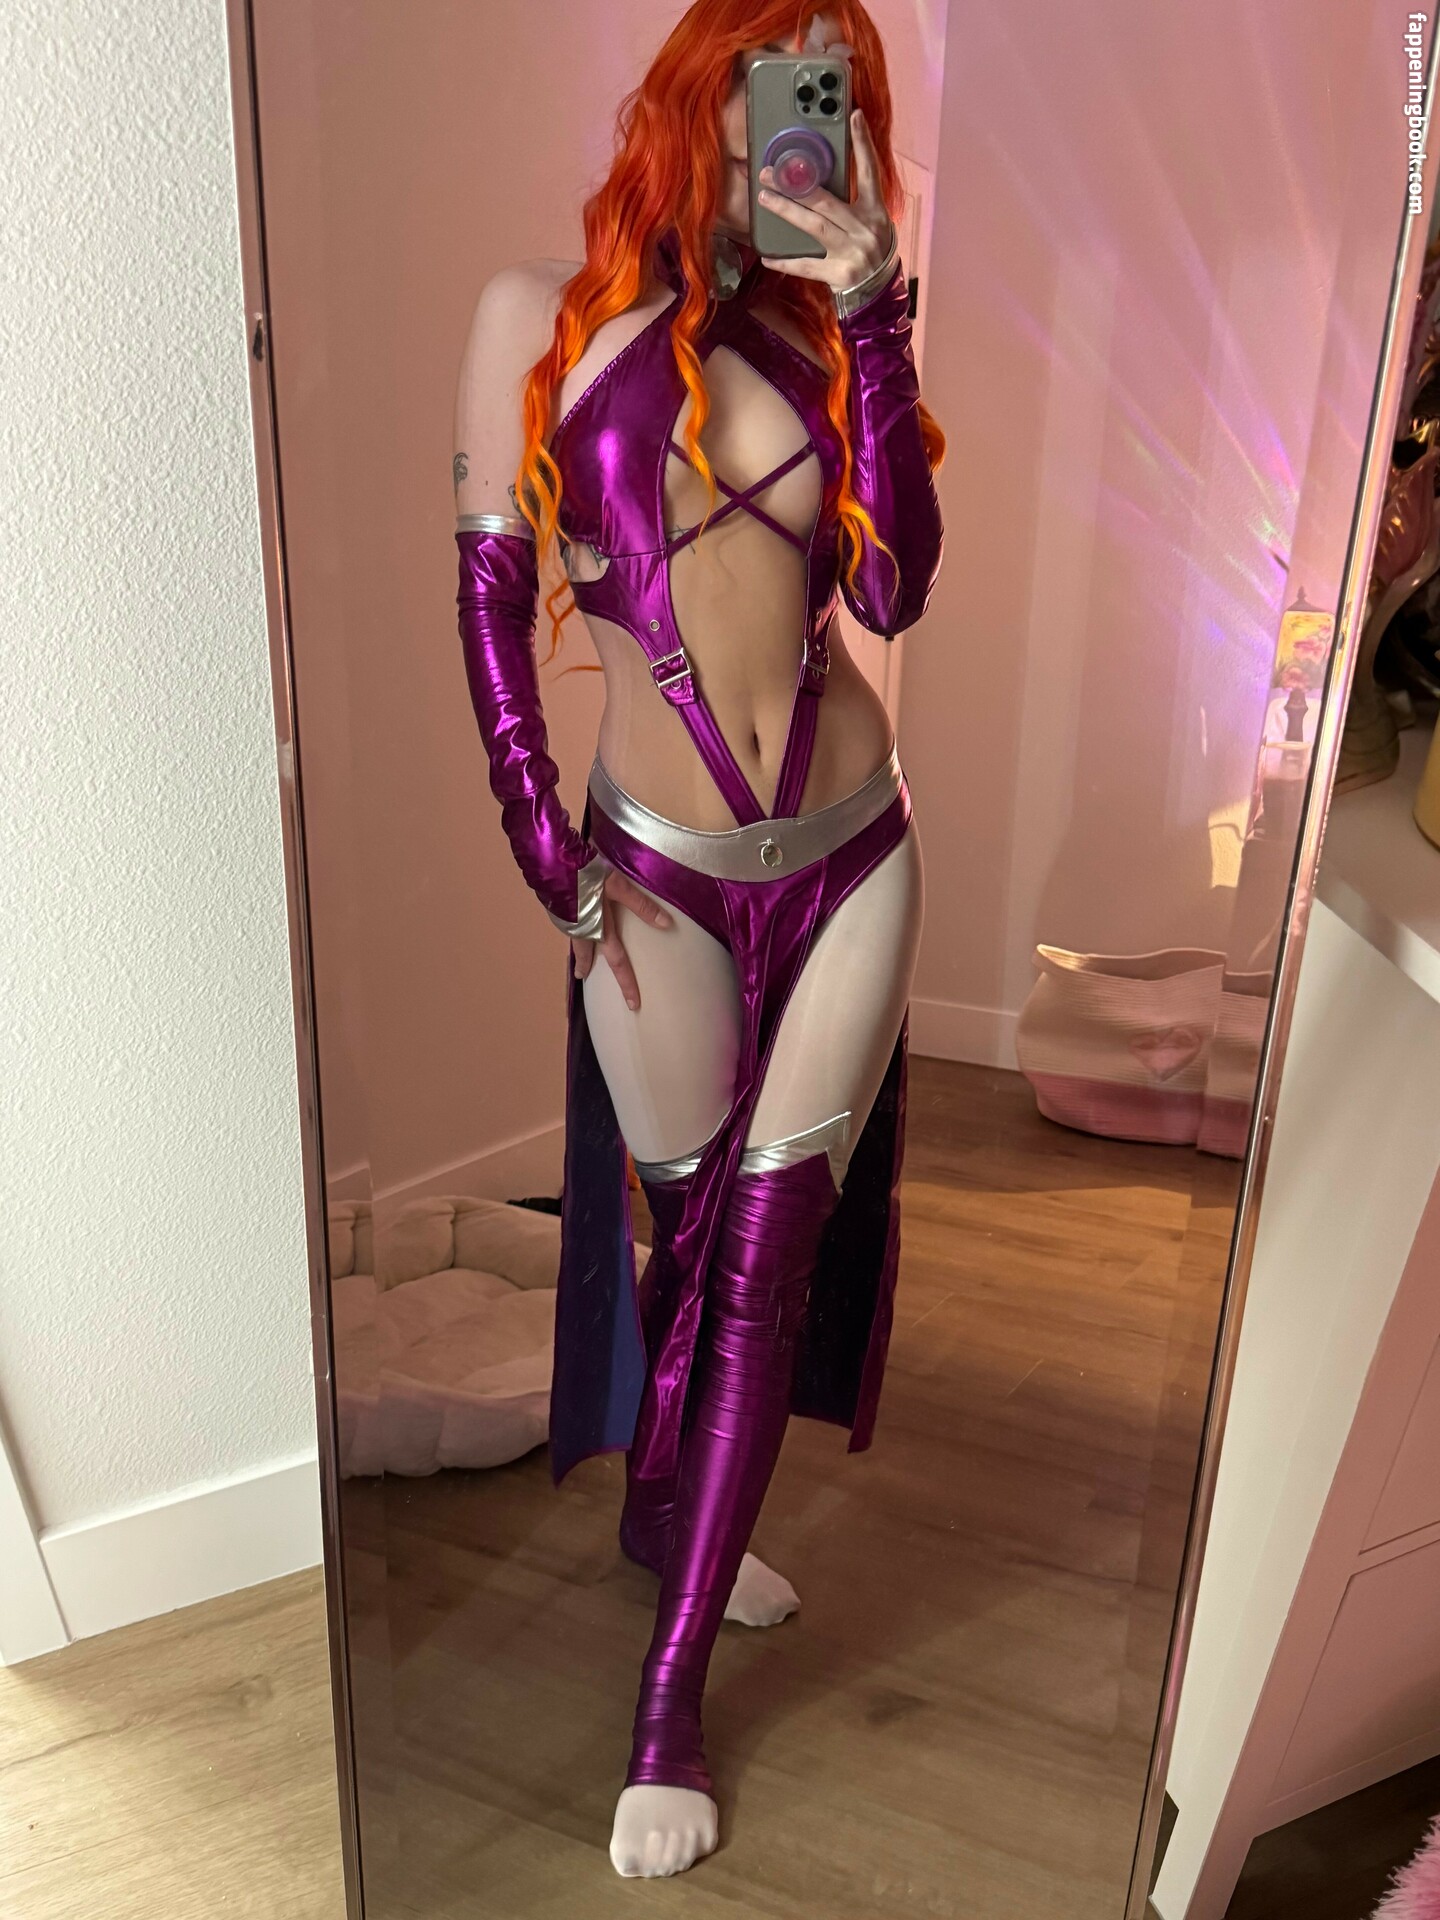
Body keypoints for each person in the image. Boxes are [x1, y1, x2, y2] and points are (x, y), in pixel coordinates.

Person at [452, 0, 944, 1879]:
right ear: (696, 89)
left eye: (835, 90)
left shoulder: (827, 337)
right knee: (685, 1247)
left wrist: (879, 316)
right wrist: (533, 827)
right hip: (656, 870)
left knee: (761, 1266)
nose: (799, 121)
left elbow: (893, 583)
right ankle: (675, 1517)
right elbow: (493, 602)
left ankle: (668, 1707)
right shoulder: (537, 319)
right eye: (773, 76)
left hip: (852, 851)